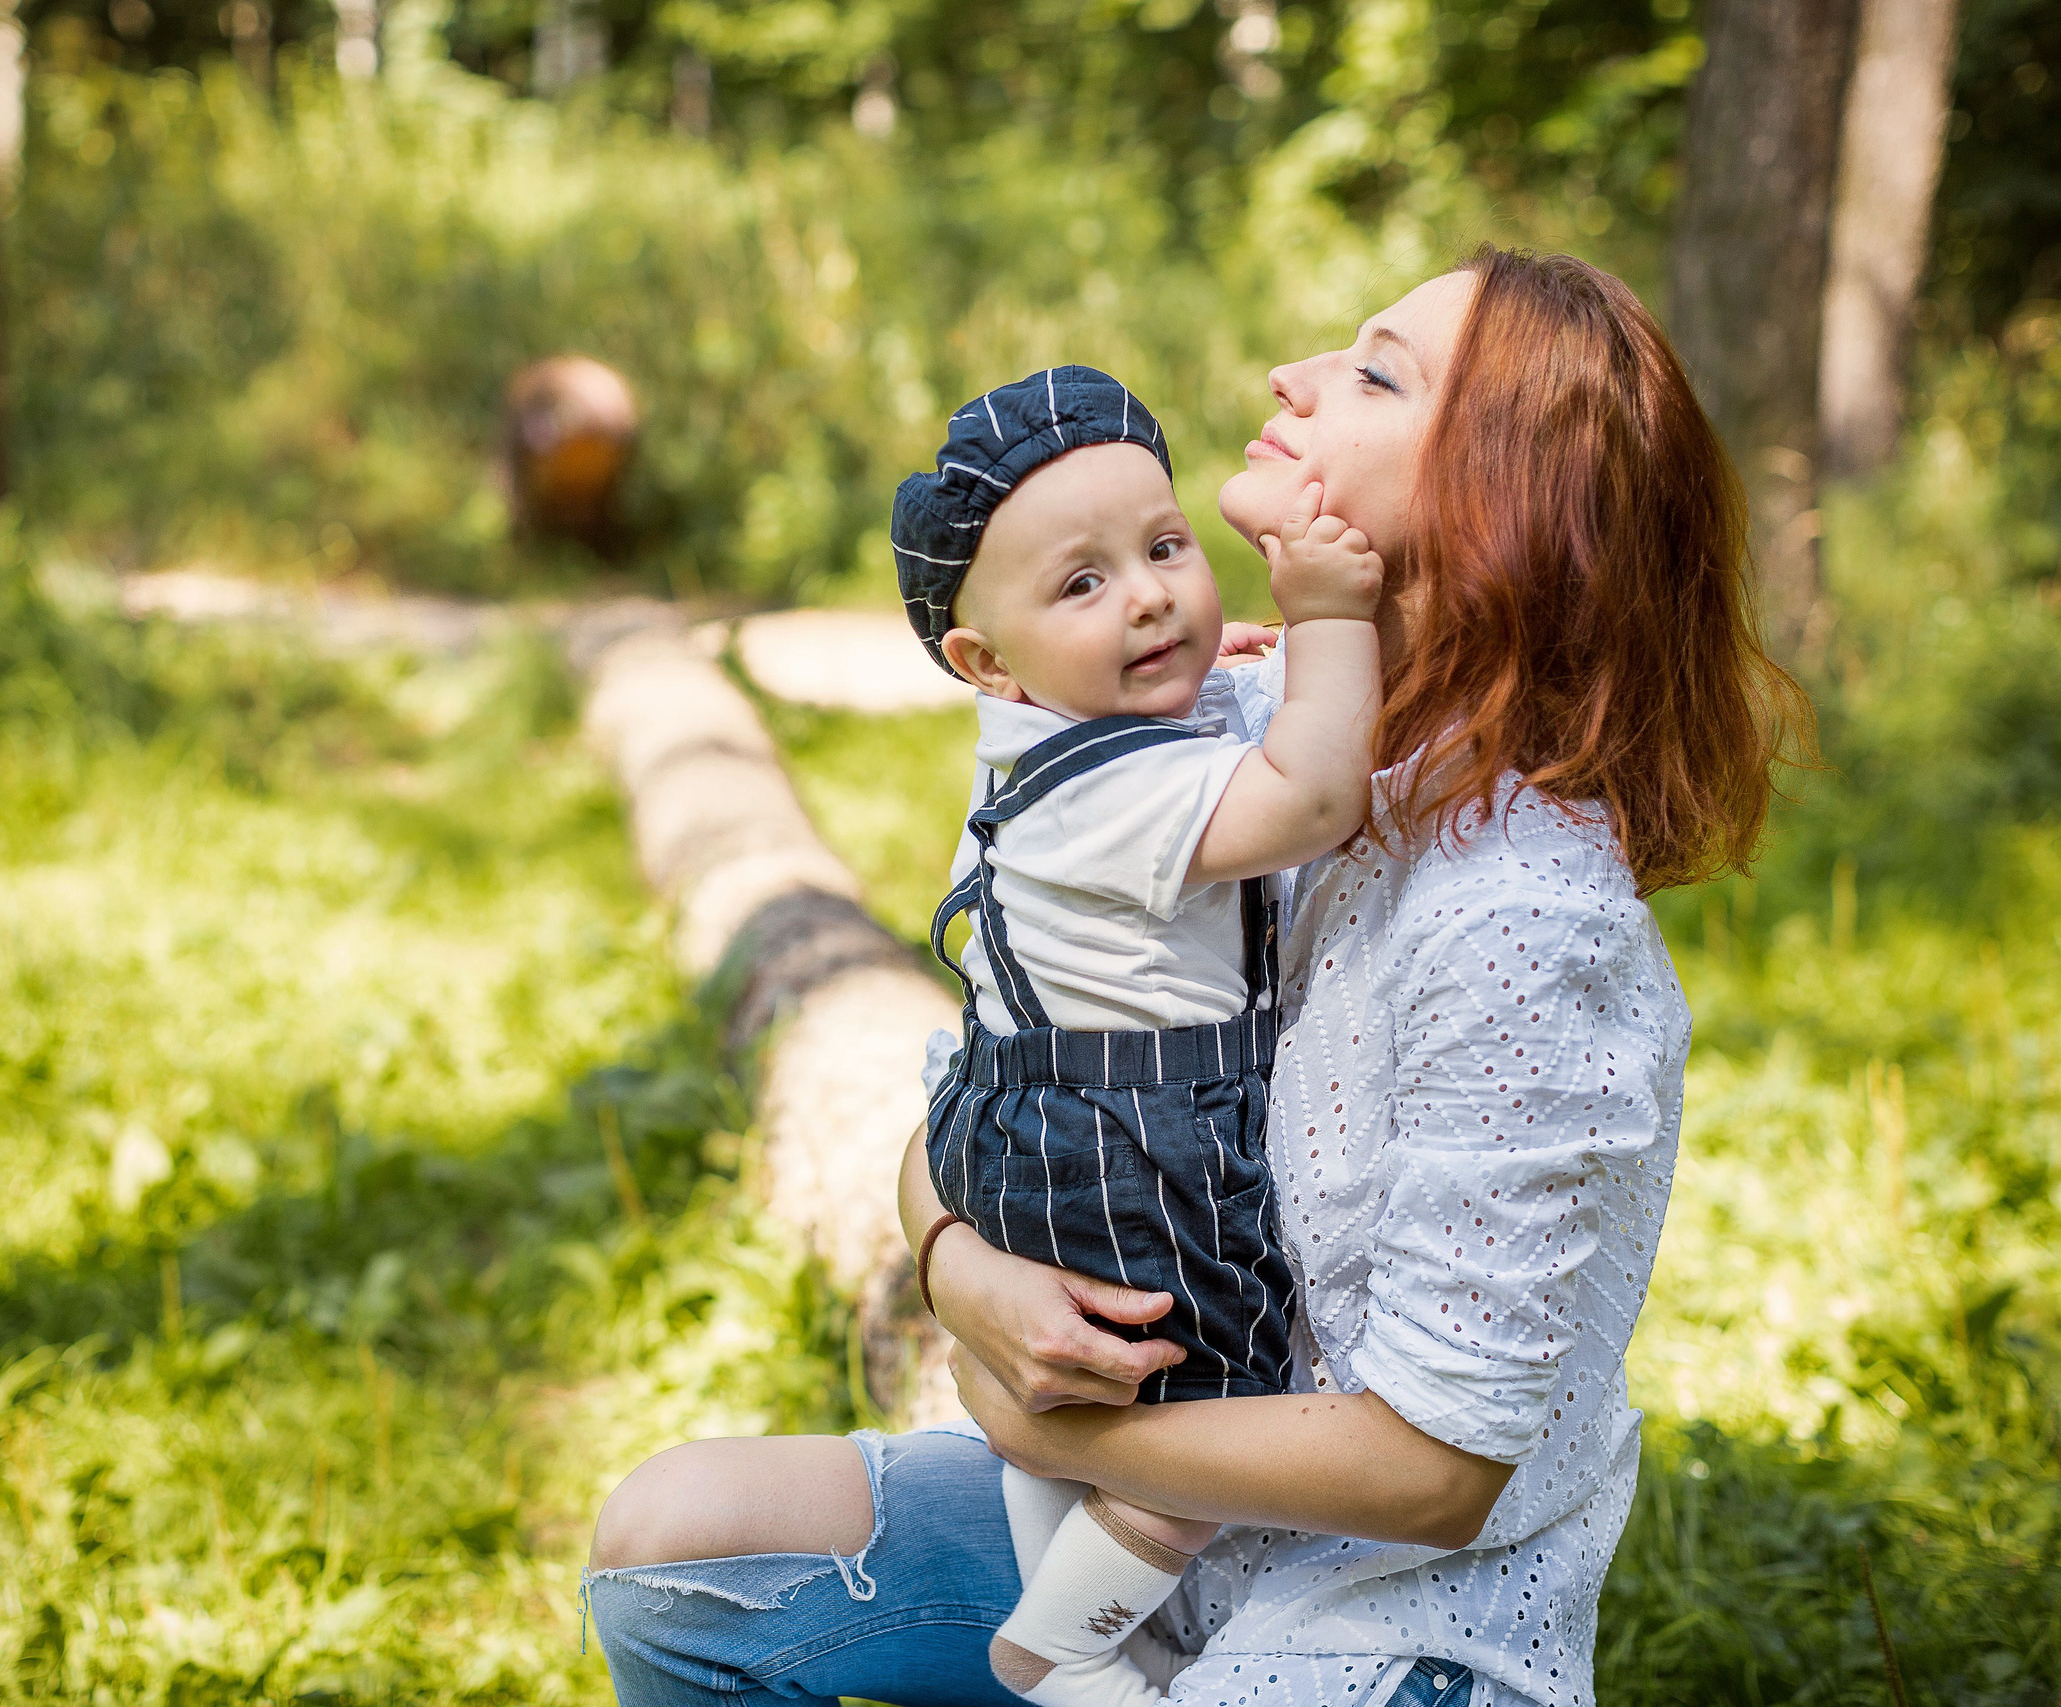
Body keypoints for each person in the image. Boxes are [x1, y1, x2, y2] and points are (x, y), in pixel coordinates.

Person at [586, 246, 1802, 1707]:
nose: (1293, 378)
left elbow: (1434, 1474)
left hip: (1377, 1622)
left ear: (1496, 499)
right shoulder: (1203, 715)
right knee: (666, 1557)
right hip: (1119, 1541)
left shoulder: (1526, 918)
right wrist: (958, 1273)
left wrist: (1056, 1435)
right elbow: (984, 1085)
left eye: (1373, 372)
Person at [890, 366, 1383, 1706]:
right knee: (1204, 1398)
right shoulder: (1106, 794)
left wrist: (1232, 678)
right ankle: (1062, 1651)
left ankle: (1077, 1621)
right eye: (1082, 586)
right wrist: (1330, 616)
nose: (1153, 595)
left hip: (1028, 1123)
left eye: (1164, 549)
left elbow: (1218, 737)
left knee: (1096, 1426)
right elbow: (1312, 793)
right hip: (1128, 1149)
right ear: (986, 666)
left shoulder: (1053, 749)